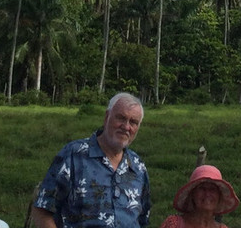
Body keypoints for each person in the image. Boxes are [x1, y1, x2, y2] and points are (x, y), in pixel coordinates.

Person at [32, 92, 151, 228]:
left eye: (133, 122)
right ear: (107, 118)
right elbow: (42, 209)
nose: (126, 127)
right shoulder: (73, 155)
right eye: (121, 118)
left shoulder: (138, 166)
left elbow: (143, 220)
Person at [160, 165, 240, 228]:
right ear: (192, 194)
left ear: (219, 196)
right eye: (202, 188)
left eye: (212, 189)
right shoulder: (174, 224)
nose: (207, 194)